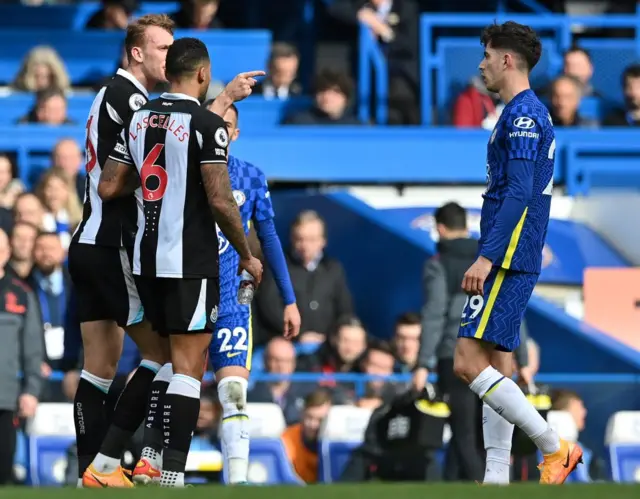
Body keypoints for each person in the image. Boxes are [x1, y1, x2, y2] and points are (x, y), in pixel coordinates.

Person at [69, 14, 265, 487]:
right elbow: (189, 154)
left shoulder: (118, 103)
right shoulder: (136, 102)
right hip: (129, 246)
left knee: (99, 368)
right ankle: (140, 463)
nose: (167, 56)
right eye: (161, 47)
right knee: (170, 359)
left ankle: (96, 471)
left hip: (95, 241)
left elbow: (118, 171)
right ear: (137, 53)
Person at [132, 101, 301, 485]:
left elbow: (270, 239)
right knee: (175, 377)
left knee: (233, 392)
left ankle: (237, 483)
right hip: (189, 292)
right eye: (215, 125)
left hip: (231, 302)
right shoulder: (185, 173)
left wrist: (289, 298)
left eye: (227, 126)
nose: (220, 133)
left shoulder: (251, 177)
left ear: (235, 134)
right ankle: (154, 462)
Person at [453, 21, 582, 486]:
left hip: (506, 258)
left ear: (507, 59)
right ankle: (497, 478)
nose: (481, 64)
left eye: (486, 55)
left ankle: (555, 447)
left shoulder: (525, 115)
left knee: (467, 363)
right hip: (513, 255)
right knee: (501, 365)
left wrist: (487, 255)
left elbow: (520, 192)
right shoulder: (520, 113)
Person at [0, 228, 44, 485]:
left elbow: (32, 348)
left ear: (6, 253)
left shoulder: (21, 294)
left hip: (5, 399)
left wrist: (31, 390)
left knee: (3, 473)